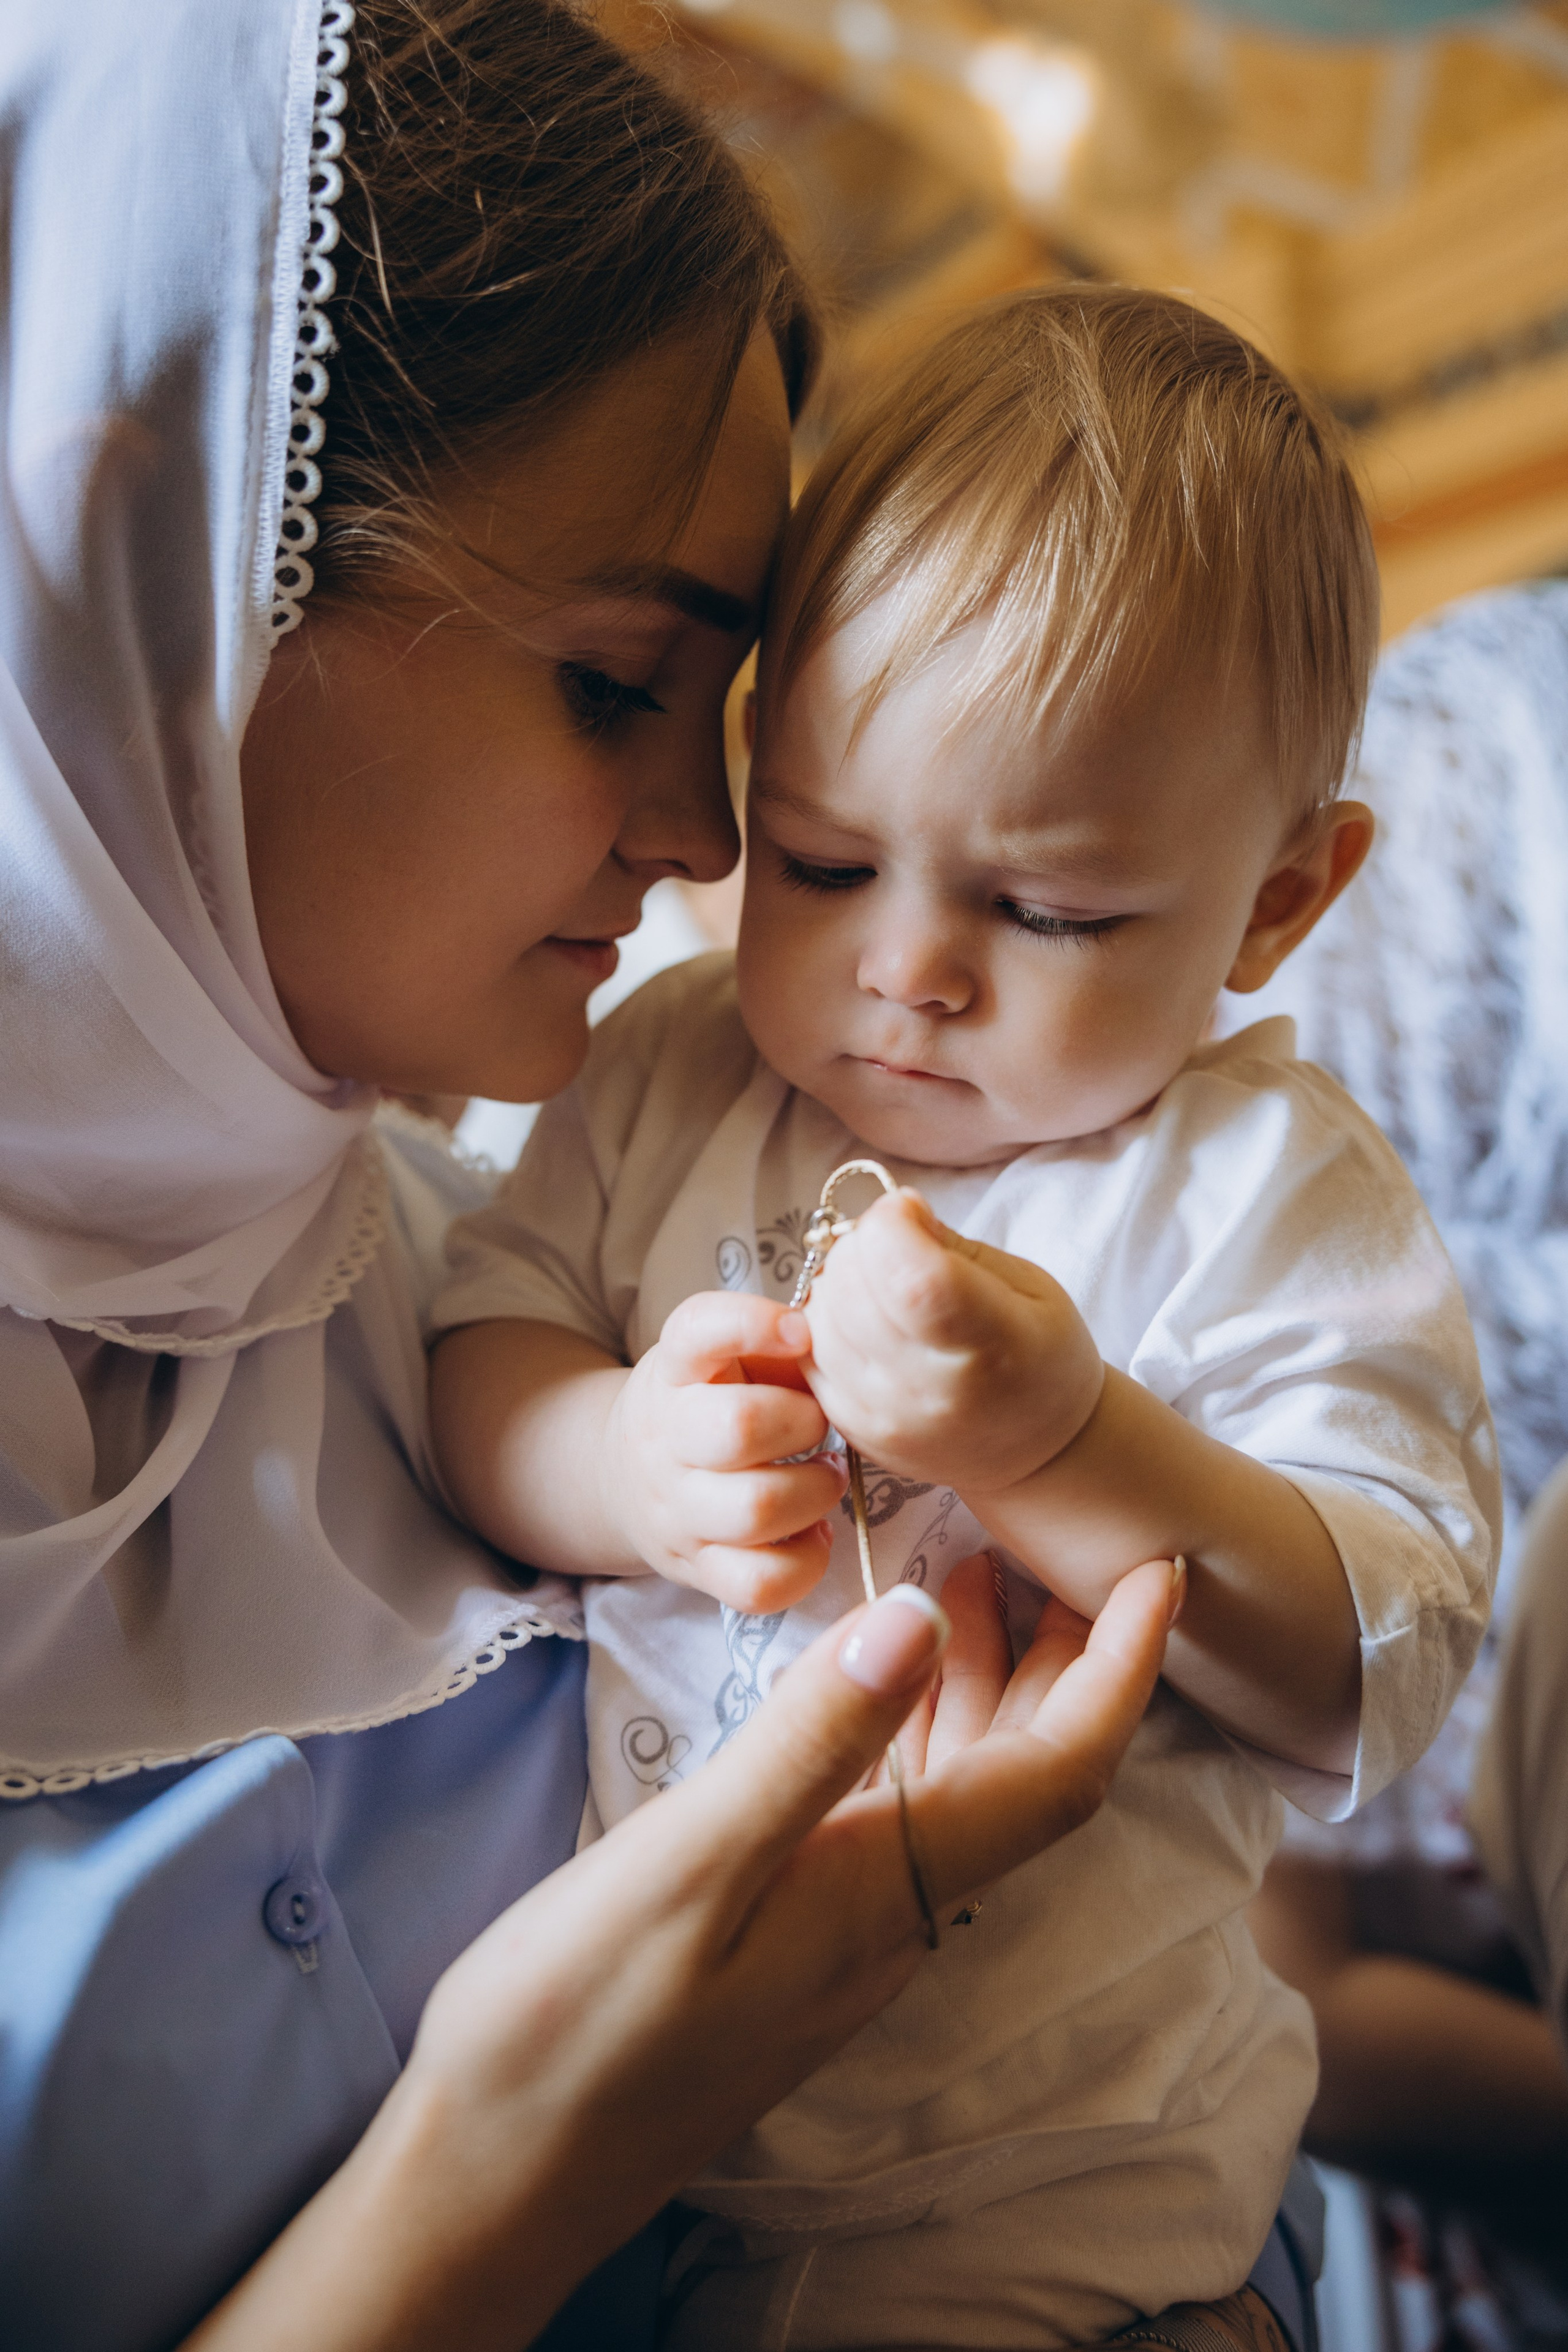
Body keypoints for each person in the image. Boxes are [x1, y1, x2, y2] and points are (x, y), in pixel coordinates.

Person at [0, 6, 1178, 2348]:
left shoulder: (532, 1316)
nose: (710, 840)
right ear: (142, 535)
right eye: (619, 680)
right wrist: (504, 2166)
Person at [429, 290, 1500, 2348]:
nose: (904, 971)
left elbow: (1369, 1667)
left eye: (1044, 912)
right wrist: (623, 1465)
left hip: (1048, 2182)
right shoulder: (667, 1070)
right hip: (621, 2127)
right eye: (823, 862)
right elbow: (482, 1356)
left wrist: (1059, 1439)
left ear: (1278, 902)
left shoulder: (1267, 1189)